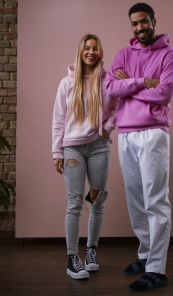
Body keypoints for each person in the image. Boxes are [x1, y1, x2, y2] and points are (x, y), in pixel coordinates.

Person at [106, 2, 173, 292]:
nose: (140, 28)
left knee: (155, 200)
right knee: (136, 200)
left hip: (153, 133)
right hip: (126, 134)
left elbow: (164, 93)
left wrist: (130, 87)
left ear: (153, 21)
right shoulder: (123, 54)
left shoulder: (169, 55)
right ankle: (146, 255)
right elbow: (111, 88)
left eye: (144, 22)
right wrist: (142, 82)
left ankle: (157, 269)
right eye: (135, 23)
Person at [52, 34, 118, 280]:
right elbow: (58, 120)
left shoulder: (109, 80)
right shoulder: (66, 83)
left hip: (100, 146)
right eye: (87, 48)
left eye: (95, 48)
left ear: (100, 52)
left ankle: (91, 252)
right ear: (80, 52)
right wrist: (56, 152)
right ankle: (72, 259)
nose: (91, 52)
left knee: (97, 200)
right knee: (75, 203)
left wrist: (107, 128)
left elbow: (117, 108)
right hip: (73, 149)